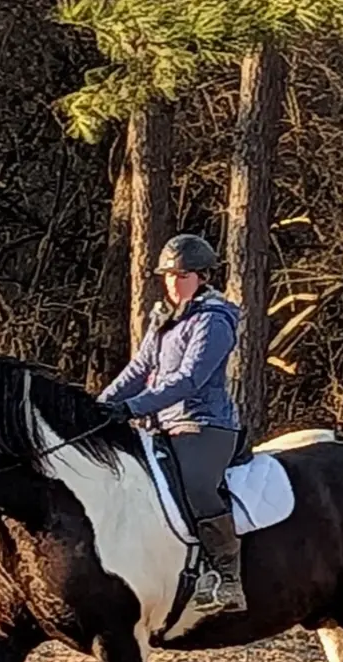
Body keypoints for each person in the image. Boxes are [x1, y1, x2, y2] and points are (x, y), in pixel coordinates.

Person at [97, 233, 246, 615]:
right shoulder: (165, 318)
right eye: (167, 276)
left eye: (180, 276)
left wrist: (132, 407)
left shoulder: (214, 321)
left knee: (195, 485)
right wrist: (98, 406)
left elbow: (188, 380)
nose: (171, 283)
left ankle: (229, 577)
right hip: (160, 426)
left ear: (202, 277)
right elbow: (139, 369)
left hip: (205, 426)